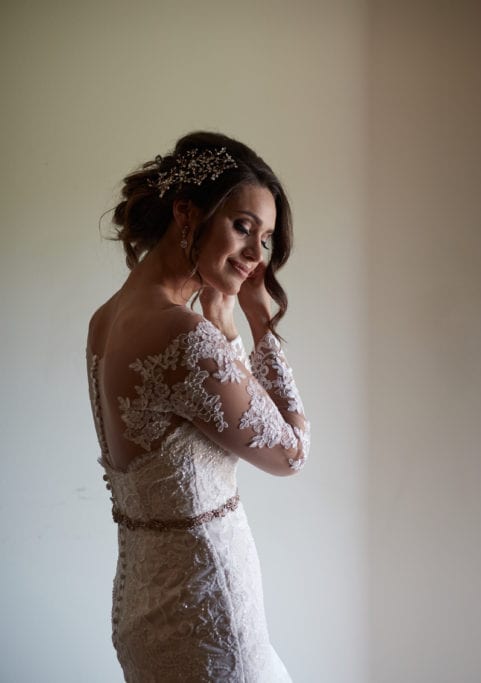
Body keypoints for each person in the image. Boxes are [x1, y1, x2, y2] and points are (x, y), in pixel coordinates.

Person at [86, 131, 310, 681]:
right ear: (187, 214)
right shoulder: (184, 335)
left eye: (267, 237)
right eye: (242, 226)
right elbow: (291, 452)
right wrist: (259, 322)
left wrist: (223, 316)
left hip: (141, 603)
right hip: (211, 610)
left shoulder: (107, 318)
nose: (257, 254)